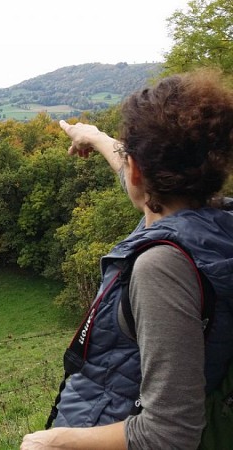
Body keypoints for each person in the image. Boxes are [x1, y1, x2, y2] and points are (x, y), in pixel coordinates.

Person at [21, 70, 233, 449]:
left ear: (140, 171)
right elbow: (134, 175)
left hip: (105, 429)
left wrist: (55, 442)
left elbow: (169, 433)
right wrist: (98, 137)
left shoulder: (163, 267)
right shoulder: (212, 224)